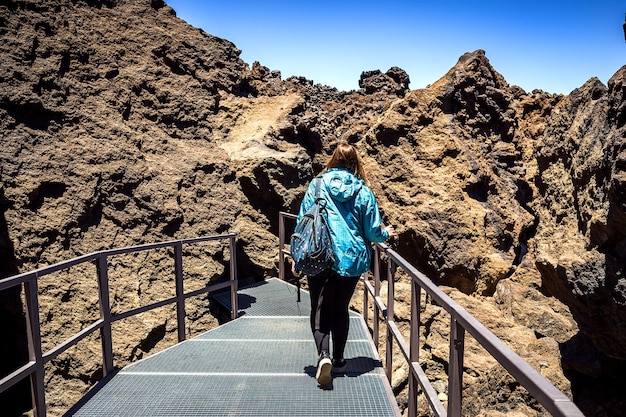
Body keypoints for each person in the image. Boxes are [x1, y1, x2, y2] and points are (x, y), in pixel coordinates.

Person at [294, 142, 396, 386]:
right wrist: (386, 234)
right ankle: (339, 360)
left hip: (319, 256)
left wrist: (297, 256)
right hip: (350, 259)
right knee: (340, 309)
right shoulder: (362, 190)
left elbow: (302, 221)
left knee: (319, 310)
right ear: (355, 162)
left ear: (333, 159)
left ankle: (324, 356)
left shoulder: (317, 185)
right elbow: (372, 231)